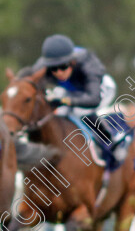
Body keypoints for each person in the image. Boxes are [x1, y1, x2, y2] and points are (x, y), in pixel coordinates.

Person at [34, 34, 125, 166]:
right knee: (59, 111)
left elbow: (94, 99)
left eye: (63, 66)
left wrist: (64, 100)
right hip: (72, 90)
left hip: (101, 90)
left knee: (81, 112)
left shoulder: (88, 63)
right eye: (54, 68)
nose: (59, 72)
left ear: (72, 62)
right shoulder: (41, 66)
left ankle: (111, 142)